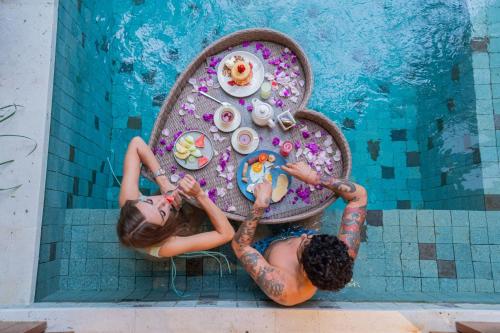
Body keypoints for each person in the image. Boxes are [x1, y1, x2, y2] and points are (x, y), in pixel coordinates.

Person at [231, 161, 367, 306]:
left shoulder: (284, 289)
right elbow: (359, 196)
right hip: (299, 228)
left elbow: (240, 247)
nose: (303, 236)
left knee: (240, 208)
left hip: (264, 246)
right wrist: (314, 177)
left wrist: (260, 205)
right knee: (312, 204)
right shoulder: (344, 252)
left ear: (303, 270)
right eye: (312, 238)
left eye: (304, 244)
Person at [116, 136, 234, 258]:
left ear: (136, 202)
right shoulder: (167, 246)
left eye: (149, 201)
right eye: (162, 213)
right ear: (164, 230)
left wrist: (163, 182)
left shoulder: (128, 200)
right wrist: (200, 195)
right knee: (196, 218)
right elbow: (227, 234)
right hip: (173, 234)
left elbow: (136, 143)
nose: (163, 200)